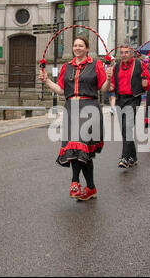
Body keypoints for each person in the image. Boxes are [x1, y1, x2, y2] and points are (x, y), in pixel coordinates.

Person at [38, 37, 111, 201]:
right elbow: (62, 90)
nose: (77, 48)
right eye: (75, 45)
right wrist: (47, 80)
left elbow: (103, 89)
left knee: (78, 144)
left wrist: (109, 78)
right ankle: (91, 188)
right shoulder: (67, 67)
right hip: (71, 108)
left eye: (81, 45)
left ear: (87, 48)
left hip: (90, 108)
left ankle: (75, 182)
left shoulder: (96, 65)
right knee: (82, 151)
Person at [110, 46, 145, 168]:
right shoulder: (117, 66)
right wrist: (111, 86)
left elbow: (148, 77)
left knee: (127, 126)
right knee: (125, 129)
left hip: (133, 98)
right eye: (122, 53)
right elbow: (114, 82)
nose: (124, 55)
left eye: (126, 52)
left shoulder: (139, 64)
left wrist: (146, 83)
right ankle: (133, 157)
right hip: (120, 99)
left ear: (131, 54)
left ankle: (125, 157)